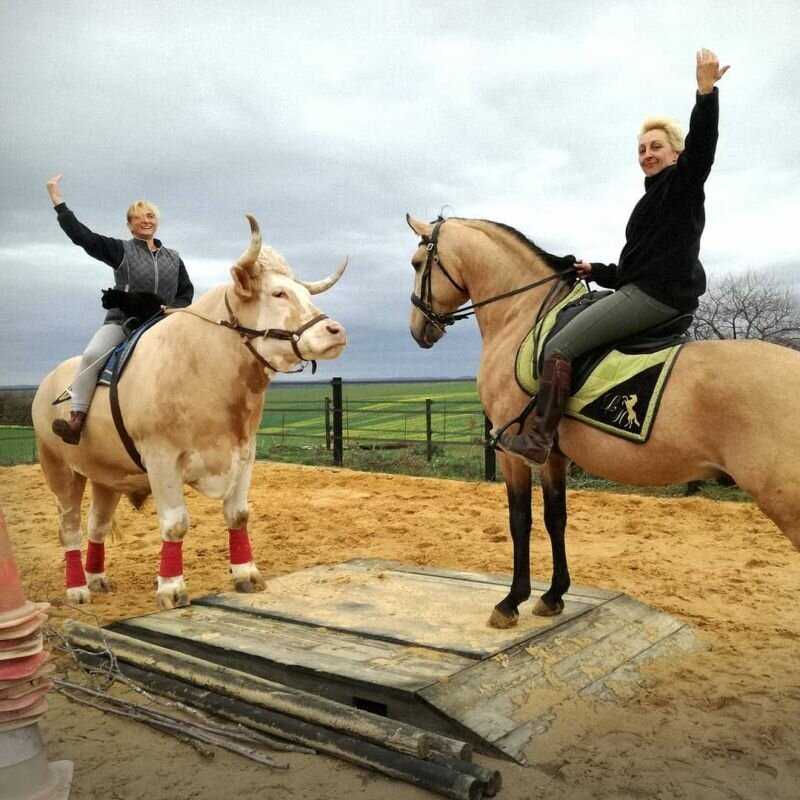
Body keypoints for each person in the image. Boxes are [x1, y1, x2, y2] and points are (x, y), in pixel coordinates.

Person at [500, 48, 729, 464]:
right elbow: (634, 267)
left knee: (560, 345)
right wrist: (597, 270)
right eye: (641, 149)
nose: (647, 155)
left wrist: (705, 92)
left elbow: (704, 149)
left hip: (657, 296)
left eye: (656, 147)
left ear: (676, 153)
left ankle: (538, 440)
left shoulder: (682, 183)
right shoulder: (653, 198)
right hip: (646, 288)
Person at [46, 174, 194, 444]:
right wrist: (58, 202)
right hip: (125, 322)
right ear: (130, 225)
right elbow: (83, 237)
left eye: (150, 216)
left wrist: (172, 309)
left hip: (165, 323)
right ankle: (77, 418)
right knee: (91, 355)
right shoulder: (120, 251)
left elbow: (187, 293)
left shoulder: (174, 257)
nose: (146, 220)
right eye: (139, 217)